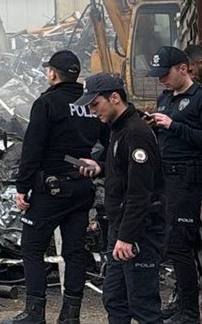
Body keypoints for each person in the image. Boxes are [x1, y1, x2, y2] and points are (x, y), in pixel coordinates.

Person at [5, 50, 99, 324]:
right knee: (75, 251)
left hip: (52, 189)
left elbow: (33, 147)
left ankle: (34, 313)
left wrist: (22, 186)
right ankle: (71, 316)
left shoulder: (47, 103)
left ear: (53, 74)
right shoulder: (90, 103)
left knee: (32, 247)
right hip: (82, 188)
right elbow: (104, 139)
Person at [76, 74, 167, 324]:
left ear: (114, 98)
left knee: (143, 304)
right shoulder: (118, 129)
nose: (93, 111)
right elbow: (120, 168)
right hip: (121, 227)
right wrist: (100, 167)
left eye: (96, 104)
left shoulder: (136, 134)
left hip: (139, 231)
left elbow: (140, 193)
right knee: (115, 298)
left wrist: (128, 237)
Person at [146, 46, 202, 324]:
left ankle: (190, 312)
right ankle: (180, 300)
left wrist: (173, 126)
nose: (161, 80)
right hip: (164, 177)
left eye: (165, 74)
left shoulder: (199, 98)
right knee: (169, 244)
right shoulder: (166, 98)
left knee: (181, 245)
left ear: (183, 68)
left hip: (187, 179)